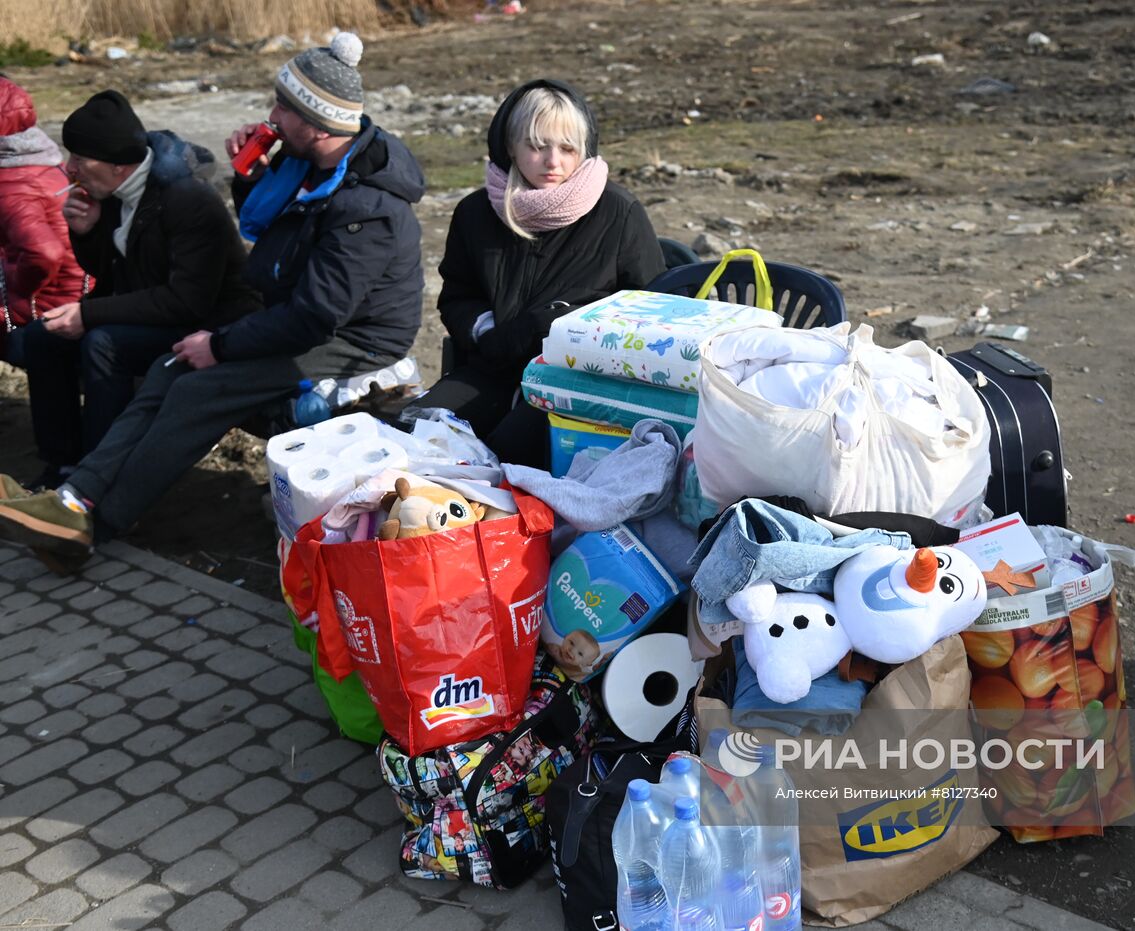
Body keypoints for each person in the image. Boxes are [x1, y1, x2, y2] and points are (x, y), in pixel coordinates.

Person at [0, 33, 426, 572]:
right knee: (168, 366)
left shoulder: (367, 208)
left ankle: (94, 526)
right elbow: (271, 247)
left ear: (317, 124)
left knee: (198, 389)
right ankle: (74, 497)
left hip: (355, 340)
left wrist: (221, 345)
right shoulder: (308, 168)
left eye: (283, 108)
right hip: (294, 318)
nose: (271, 116)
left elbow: (319, 314)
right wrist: (251, 178)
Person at [12, 89, 261, 489]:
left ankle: (97, 481)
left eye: (79, 158)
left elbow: (187, 300)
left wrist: (88, 315)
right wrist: (87, 234)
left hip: (210, 324)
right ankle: (61, 466)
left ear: (117, 165)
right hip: (155, 312)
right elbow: (111, 273)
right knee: (44, 338)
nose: (69, 168)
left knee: (103, 343)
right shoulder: (113, 192)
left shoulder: (186, 200)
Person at [410, 78, 665, 467]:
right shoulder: (476, 213)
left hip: (581, 381)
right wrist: (486, 330)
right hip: (494, 365)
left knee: (506, 458)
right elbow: (459, 295)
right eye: (537, 146)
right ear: (509, 146)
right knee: (416, 436)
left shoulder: (618, 212)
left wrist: (559, 327)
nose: (553, 162)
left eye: (567, 149)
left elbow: (652, 307)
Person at [0, 77, 86, 363]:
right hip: (74, 298)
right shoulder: (42, 158)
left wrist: (11, 278)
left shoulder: (11, 184)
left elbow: (44, 253)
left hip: (46, 314)